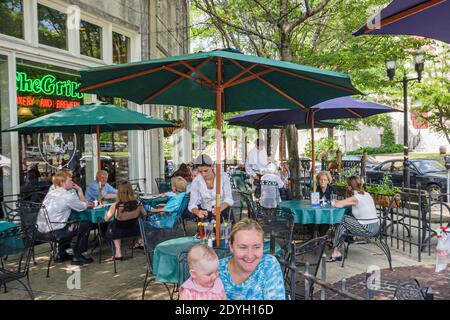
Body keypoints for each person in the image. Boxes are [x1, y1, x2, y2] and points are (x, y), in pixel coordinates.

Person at [36, 170, 93, 265]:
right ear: (62, 183)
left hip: (40, 230)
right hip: (54, 232)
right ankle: (77, 257)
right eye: (70, 180)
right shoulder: (67, 196)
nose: (73, 182)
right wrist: (80, 191)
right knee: (85, 224)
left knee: (69, 223)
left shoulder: (51, 193)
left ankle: (61, 254)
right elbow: (82, 207)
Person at [218, 218, 285, 300]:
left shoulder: (268, 265)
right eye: (243, 247)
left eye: (256, 247)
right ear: (231, 247)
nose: (250, 256)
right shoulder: (215, 271)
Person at [328, 176, 380, 262]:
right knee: (343, 225)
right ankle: (336, 251)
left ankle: (335, 245)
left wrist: (333, 201)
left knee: (342, 218)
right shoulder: (367, 194)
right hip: (375, 227)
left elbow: (338, 204)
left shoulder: (355, 198)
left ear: (349, 187)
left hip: (367, 228)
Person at [104, 181, 146, 260]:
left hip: (118, 232)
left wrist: (106, 212)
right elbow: (145, 215)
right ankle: (140, 241)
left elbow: (106, 219)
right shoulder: (138, 203)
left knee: (112, 225)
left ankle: (118, 252)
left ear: (119, 193)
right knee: (117, 225)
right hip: (134, 231)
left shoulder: (116, 205)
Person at [188, 154, 234, 223]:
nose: (203, 174)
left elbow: (229, 198)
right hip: (205, 214)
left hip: (223, 212)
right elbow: (192, 204)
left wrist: (220, 208)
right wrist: (197, 212)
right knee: (205, 233)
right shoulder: (196, 181)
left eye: (206, 171)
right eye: (200, 172)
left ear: (211, 166)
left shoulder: (223, 176)